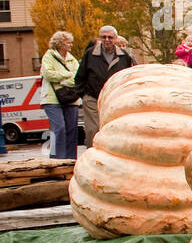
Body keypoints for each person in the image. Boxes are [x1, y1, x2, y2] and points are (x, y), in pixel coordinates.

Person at [75, 24, 135, 146]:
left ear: (115, 38)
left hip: (114, 99)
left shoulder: (124, 56)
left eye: (110, 37)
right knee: (94, 130)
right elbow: (80, 76)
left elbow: (129, 77)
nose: (107, 40)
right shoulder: (90, 54)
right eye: (103, 37)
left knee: (114, 129)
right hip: (93, 98)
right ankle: (93, 157)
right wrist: (84, 96)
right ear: (99, 38)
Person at [40, 30, 81, 160]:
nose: (71, 45)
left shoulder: (71, 58)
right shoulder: (49, 56)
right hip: (51, 99)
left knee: (72, 130)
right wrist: (67, 76)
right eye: (68, 43)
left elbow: (77, 76)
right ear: (60, 44)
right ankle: (56, 160)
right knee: (59, 129)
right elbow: (48, 74)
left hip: (71, 98)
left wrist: (61, 79)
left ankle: (70, 161)